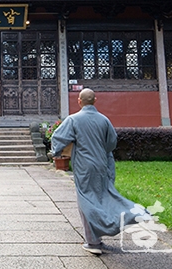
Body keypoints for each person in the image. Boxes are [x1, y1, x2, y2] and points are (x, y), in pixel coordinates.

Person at [51, 88, 149, 255]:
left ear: (79, 101)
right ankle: (129, 213)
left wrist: (56, 152)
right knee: (104, 196)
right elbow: (111, 142)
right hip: (102, 164)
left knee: (86, 200)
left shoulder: (73, 119)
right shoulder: (104, 120)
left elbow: (58, 138)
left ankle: (93, 241)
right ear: (95, 100)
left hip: (84, 166)